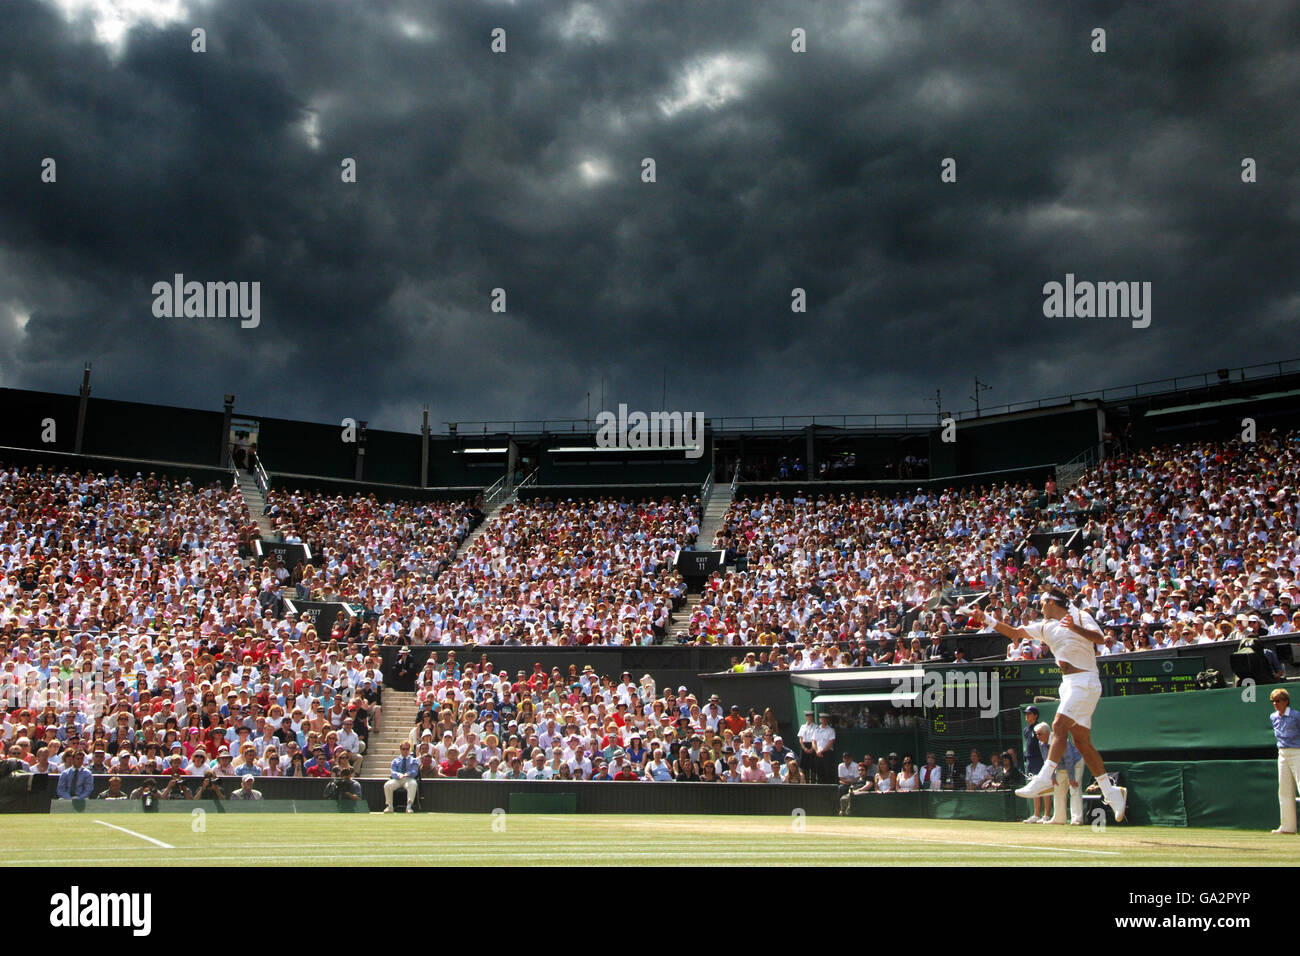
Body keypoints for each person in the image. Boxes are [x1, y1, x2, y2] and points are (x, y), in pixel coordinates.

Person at [968, 589, 1127, 821]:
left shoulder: (1080, 616)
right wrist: (988, 619)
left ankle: (1044, 777)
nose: (1038, 606)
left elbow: (1100, 638)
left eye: (1041, 602)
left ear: (1051, 602)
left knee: (1058, 724)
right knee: (1082, 743)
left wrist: (1075, 628)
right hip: (1069, 684)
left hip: (1086, 681)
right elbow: (1013, 632)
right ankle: (1111, 792)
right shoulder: (1043, 626)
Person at [1270, 687, 1300, 834]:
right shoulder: (1273, 717)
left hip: (1297, 752)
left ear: (1286, 701)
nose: (1275, 703)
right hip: (1282, 753)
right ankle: (1288, 827)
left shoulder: (1296, 716)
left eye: (1278, 701)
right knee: (1284, 790)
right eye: (1273, 701)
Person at [384, 741, 419, 813]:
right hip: (398, 779)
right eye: (403, 749)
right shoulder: (395, 761)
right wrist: (398, 775)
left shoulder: (414, 760)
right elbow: (393, 772)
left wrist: (407, 774)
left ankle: (409, 807)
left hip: (408, 779)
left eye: (407, 749)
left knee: (413, 784)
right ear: (400, 749)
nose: (405, 751)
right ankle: (389, 806)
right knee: (387, 785)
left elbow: (415, 771)